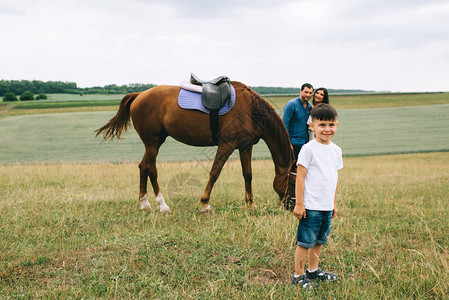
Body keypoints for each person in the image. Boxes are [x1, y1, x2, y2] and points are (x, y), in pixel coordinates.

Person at [291, 103, 343, 289]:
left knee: (320, 240)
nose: (327, 129)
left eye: (331, 125)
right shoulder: (308, 149)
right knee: (305, 242)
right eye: (322, 125)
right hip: (311, 206)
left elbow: (334, 178)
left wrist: (334, 203)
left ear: (337, 124)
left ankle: (313, 270)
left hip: (326, 206)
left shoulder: (336, 150)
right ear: (312, 126)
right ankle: (298, 275)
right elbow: (301, 177)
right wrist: (299, 203)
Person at [282, 83, 313, 159]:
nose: (308, 95)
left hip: (305, 143)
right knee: (292, 167)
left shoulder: (309, 106)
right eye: (306, 92)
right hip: (293, 143)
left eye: (310, 93)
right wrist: (287, 143)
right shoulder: (291, 104)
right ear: (300, 91)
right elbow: (284, 124)